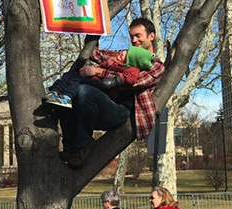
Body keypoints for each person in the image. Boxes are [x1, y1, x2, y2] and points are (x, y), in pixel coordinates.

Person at [57, 18, 165, 170]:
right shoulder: (124, 56)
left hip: (120, 111)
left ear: (151, 36)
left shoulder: (156, 66)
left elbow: (133, 81)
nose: (134, 40)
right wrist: (94, 26)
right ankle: (69, 148)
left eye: (138, 36)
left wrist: (99, 71)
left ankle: (83, 146)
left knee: (84, 91)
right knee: (67, 95)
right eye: (132, 36)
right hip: (98, 106)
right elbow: (94, 53)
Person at [43, 45, 155, 108]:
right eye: (120, 52)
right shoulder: (112, 61)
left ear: (129, 61)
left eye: (122, 56)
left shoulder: (131, 69)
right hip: (95, 81)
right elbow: (97, 54)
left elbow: (131, 77)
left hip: (102, 86)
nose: (118, 55)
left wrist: (116, 80)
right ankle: (55, 92)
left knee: (77, 80)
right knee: (69, 75)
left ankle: (67, 97)